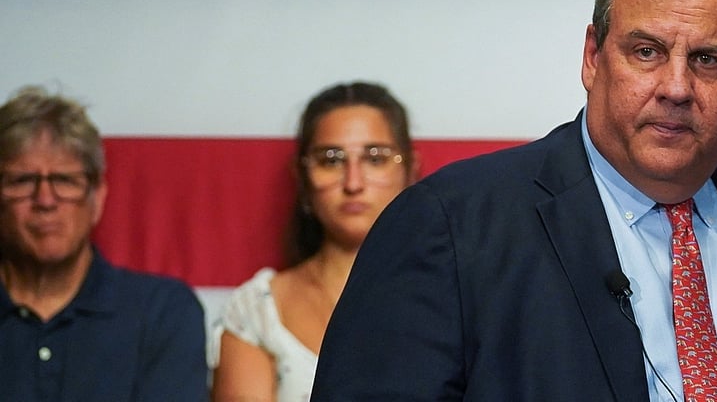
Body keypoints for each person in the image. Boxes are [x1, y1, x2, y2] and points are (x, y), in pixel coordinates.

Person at [311, 0, 717, 401]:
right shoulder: (451, 227)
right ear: (594, 57)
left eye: (708, 59)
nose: (676, 87)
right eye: (646, 52)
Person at [210, 81, 417, 401]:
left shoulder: (463, 298)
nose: (353, 182)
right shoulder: (258, 310)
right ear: (302, 176)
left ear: (410, 171)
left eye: (375, 158)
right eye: (331, 159)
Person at [0, 85, 207, 401]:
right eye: (22, 181)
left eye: (64, 181)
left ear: (97, 197)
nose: (45, 200)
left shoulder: (162, 313)